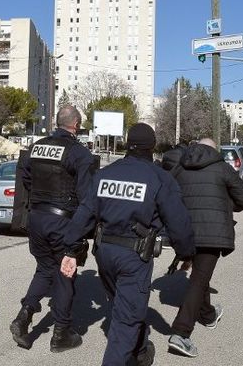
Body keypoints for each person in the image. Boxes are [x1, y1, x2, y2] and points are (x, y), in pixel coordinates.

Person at [61, 123, 195, 366]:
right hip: (133, 257)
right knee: (126, 319)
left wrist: (70, 248)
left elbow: (85, 212)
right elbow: (178, 220)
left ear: (126, 144)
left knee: (125, 307)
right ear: (152, 147)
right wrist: (186, 253)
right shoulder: (159, 178)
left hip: (104, 254)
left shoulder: (105, 174)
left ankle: (141, 352)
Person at [10, 105, 98, 352]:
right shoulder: (79, 153)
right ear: (77, 125)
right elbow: (87, 197)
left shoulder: (36, 147)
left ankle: (23, 317)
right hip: (63, 221)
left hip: (36, 219)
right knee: (65, 273)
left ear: (57, 122)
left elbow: (25, 177)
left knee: (45, 268)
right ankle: (61, 334)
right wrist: (83, 230)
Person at [167, 138, 243, 357]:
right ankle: (180, 333)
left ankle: (208, 315)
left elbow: (166, 195)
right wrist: (222, 205)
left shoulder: (180, 167)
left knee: (200, 276)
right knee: (198, 280)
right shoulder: (222, 168)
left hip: (183, 231)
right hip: (212, 234)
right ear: (214, 150)